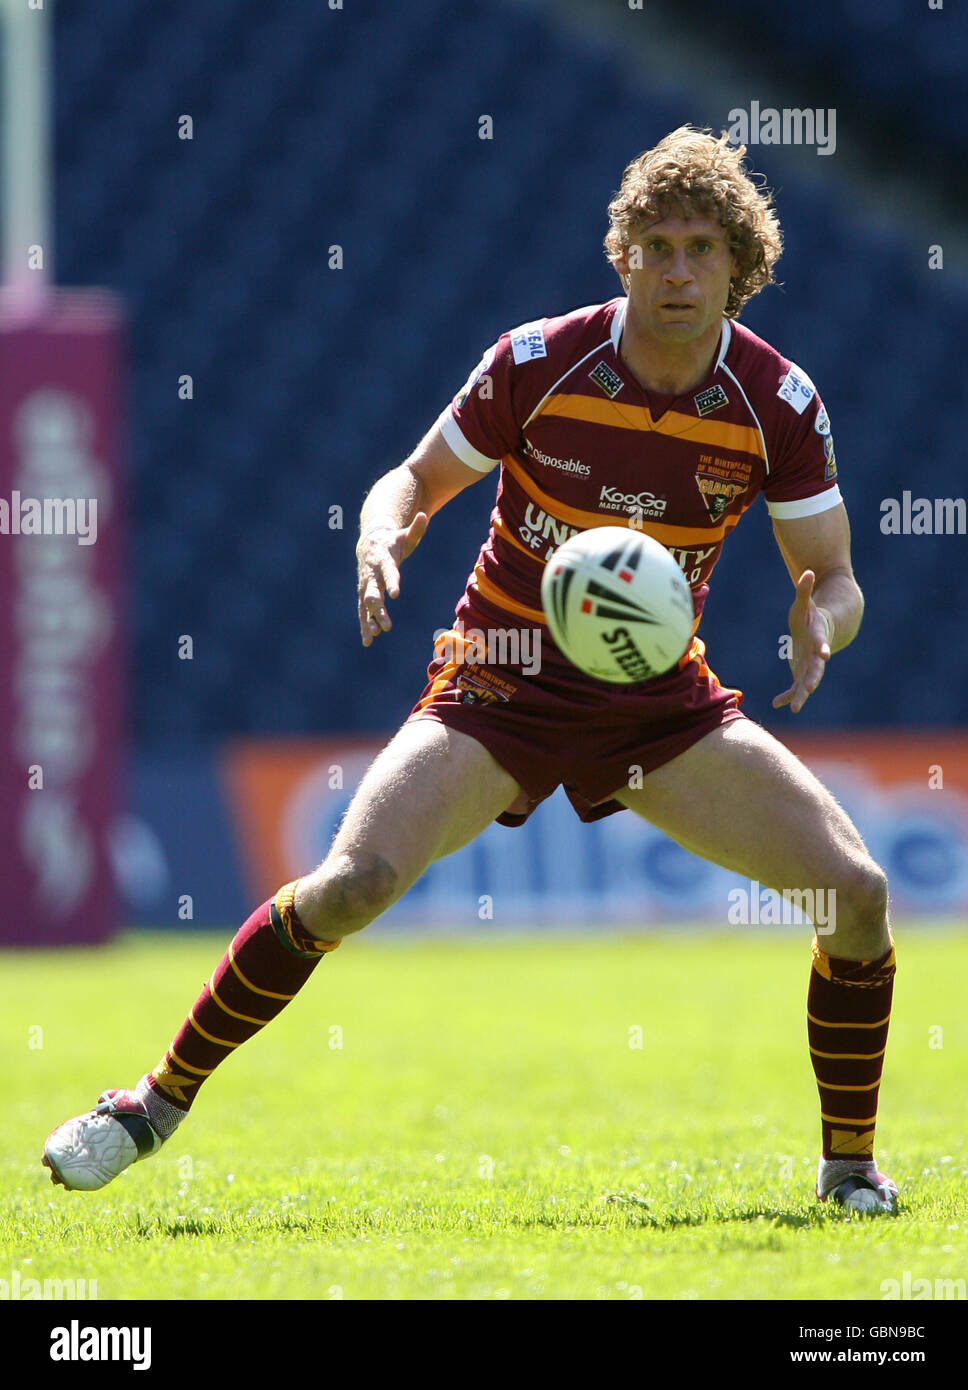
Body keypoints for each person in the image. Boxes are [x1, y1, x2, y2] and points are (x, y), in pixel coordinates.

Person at [43, 127, 897, 1213]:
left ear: (741, 265)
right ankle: (148, 1106)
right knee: (350, 887)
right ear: (621, 255)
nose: (678, 270)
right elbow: (409, 481)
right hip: (499, 686)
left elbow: (835, 576)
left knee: (858, 895)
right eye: (656, 244)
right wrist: (379, 537)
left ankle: (849, 1168)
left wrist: (824, 621)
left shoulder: (777, 402)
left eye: (701, 248)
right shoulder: (538, 362)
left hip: (658, 708)